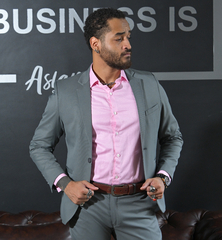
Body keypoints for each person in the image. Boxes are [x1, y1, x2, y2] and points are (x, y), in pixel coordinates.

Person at [29, 8, 183, 240]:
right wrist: (65, 184)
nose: (128, 44)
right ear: (95, 44)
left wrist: (163, 176)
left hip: (139, 204)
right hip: (88, 207)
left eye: (128, 36)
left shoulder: (149, 84)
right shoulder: (66, 92)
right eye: (119, 38)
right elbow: (39, 145)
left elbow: (172, 137)